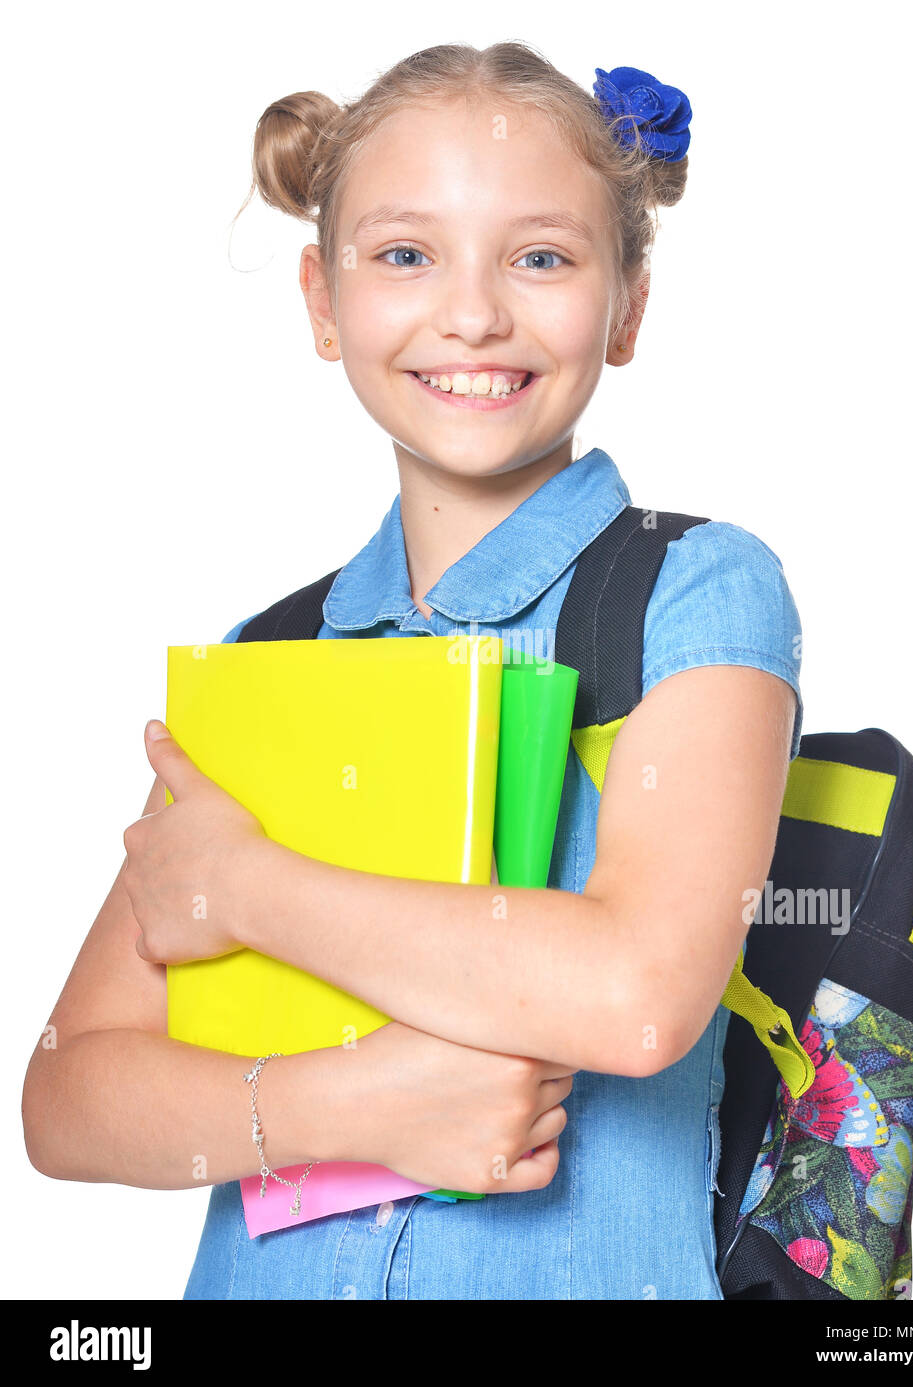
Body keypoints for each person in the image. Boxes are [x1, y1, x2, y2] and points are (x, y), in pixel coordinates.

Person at [22, 41, 803, 1300]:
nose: (473, 312)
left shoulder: (691, 592)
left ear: (629, 304)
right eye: (402, 255)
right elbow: (67, 1095)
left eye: (539, 256)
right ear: (321, 305)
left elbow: (635, 994)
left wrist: (246, 887)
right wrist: (354, 1103)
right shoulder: (268, 656)